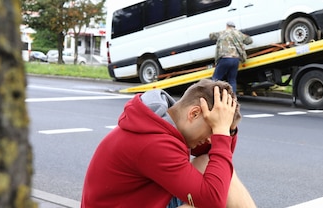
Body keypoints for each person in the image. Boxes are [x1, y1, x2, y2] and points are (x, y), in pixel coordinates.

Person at [81, 79, 256, 208]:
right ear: (194, 114)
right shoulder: (154, 143)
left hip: (145, 201)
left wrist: (227, 129)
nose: (213, 138)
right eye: (213, 129)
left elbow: (216, 158)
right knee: (207, 203)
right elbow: (212, 201)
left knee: (211, 165)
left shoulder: (163, 124)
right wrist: (221, 132)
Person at [210, 21, 253, 93]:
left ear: (227, 26)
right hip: (235, 59)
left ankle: (213, 96)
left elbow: (211, 36)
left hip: (225, 59)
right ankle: (233, 98)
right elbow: (249, 41)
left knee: (216, 79)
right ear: (234, 27)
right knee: (232, 79)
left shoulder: (223, 32)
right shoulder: (238, 33)